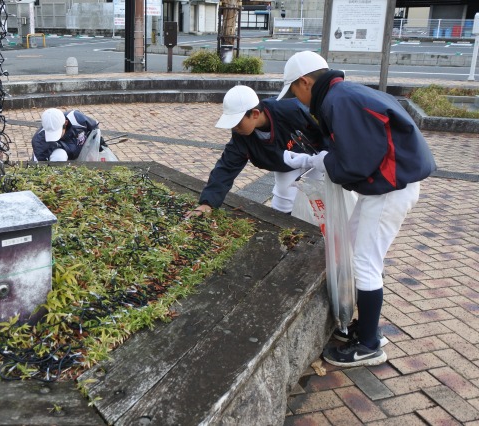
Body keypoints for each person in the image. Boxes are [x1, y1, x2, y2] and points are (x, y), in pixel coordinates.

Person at [278, 50, 437, 367]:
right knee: (353, 250)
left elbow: (356, 162)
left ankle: (369, 346)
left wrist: (322, 161)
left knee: (365, 259)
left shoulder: (341, 100)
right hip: (386, 185)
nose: (296, 98)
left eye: (294, 90)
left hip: (391, 188)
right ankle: (365, 330)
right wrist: (325, 156)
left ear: (305, 82)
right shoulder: (341, 95)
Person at [185, 85, 326, 219]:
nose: (235, 128)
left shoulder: (292, 109)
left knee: (321, 204)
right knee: (281, 209)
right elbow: (226, 167)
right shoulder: (241, 137)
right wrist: (207, 203)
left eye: (238, 123)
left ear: (255, 113)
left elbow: (326, 126)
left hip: (319, 159)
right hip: (287, 166)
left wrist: (331, 158)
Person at [31, 108, 101, 161]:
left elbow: (94, 128)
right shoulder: (39, 140)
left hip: (80, 153)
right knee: (59, 156)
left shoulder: (77, 118)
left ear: (66, 123)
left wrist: (99, 146)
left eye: (57, 132)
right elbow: (40, 164)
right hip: (62, 157)